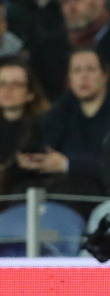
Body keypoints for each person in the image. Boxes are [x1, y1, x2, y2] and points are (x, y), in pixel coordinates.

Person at [15, 48, 110, 219]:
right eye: (77, 71)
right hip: (66, 186)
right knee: (21, 190)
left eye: (90, 69)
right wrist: (36, 160)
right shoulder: (62, 108)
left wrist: (68, 163)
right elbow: (46, 144)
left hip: (105, 192)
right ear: (69, 79)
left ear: (104, 75)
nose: (83, 77)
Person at [0, 58, 49, 196]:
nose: (7, 90)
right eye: (2, 83)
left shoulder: (43, 126)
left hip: (25, 195)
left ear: (30, 94)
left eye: (16, 84)